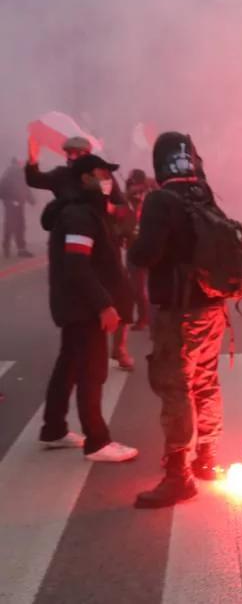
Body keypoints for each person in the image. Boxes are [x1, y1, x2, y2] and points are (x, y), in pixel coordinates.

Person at [131, 133, 228, 508]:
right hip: (212, 309)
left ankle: (178, 475)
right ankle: (207, 458)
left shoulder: (160, 200)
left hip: (179, 312)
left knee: (175, 386)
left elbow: (144, 254)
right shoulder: (203, 194)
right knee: (206, 380)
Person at [38, 153, 138, 462]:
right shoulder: (79, 216)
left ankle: (53, 430)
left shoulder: (91, 212)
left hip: (78, 306)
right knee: (91, 372)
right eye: (103, 174)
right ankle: (98, 442)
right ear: (85, 178)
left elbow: (125, 215)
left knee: (68, 366)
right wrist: (104, 305)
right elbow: (77, 266)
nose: (108, 179)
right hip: (83, 308)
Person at [124, 169, 158, 330]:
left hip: (152, 245)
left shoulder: (154, 194)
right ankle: (144, 318)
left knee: (155, 287)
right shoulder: (126, 200)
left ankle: (153, 319)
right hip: (134, 246)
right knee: (136, 288)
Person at [1, 157, 35, 258]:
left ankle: (6, 247)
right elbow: (25, 186)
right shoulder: (18, 172)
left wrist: (7, 200)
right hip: (17, 203)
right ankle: (21, 249)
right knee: (19, 226)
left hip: (10, 203)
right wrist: (31, 200)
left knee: (9, 225)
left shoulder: (6, 173)